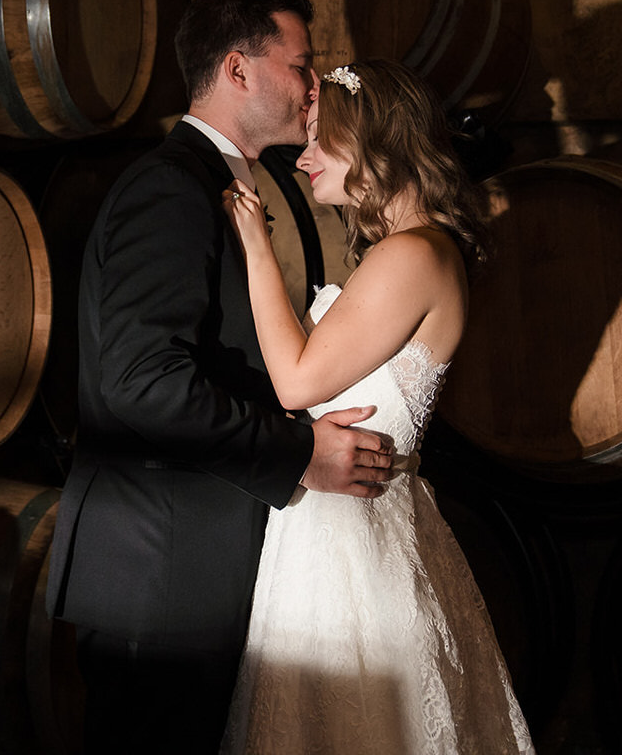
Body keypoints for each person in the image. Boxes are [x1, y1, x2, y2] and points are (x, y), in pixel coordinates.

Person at [45, 0, 396, 755]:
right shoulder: (170, 187)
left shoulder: (214, 182)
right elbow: (144, 382)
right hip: (160, 576)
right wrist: (301, 454)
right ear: (238, 69)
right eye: (302, 64)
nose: (314, 85)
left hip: (191, 569)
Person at [218, 58, 534, 754]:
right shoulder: (413, 251)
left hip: (353, 540)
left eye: (319, 139)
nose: (302, 159)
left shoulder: (413, 257)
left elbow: (297, 384)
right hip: (346, 526)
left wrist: (254, 246)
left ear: (375, 144)